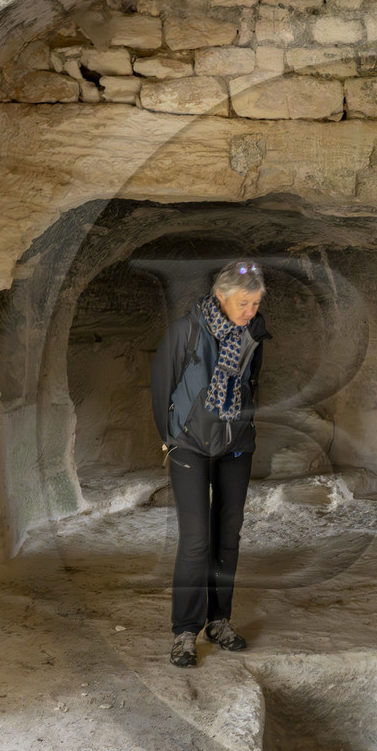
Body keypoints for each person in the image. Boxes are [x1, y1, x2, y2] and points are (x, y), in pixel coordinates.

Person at [150, 260, 269, 667]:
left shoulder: (254, 331)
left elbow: (253, 383)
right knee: (196, 539)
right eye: (243, 302)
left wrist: (245, 425)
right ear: (220, 296)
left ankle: (219, 620)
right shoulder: (186, 331)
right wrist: (171, 437)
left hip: (236, 444)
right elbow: (160, 387)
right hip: (190, 445)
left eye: (255, 302)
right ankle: (185, 631)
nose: (249, 310)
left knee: (228, 536)